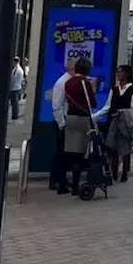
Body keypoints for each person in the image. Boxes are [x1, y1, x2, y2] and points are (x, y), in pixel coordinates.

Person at [60, 58, 100, 195]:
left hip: (70, 118)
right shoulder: (85, 83)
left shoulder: (68, 82)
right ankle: (76, 186)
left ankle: (62, 182)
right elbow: (92, 103)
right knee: (81, 153)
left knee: (69, 151)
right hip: (82, 119)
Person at [102, 65, 133, 182]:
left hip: (125, 123)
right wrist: (95, 115)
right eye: (117, 72)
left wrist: (122, 113)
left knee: (125, 148)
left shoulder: (132, 91)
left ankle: (124, 172)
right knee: (113, 146)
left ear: (126, 74)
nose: (118, 74)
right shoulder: (114, 90)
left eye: (120, 72)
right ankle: (114, 170)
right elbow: (107, 106)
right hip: (114, 121)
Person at [49, 60, 77, 190]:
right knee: (61, 152)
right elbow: (57, 105)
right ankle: (56, 180)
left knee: (66, 153)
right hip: (63, 121)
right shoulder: (62, 83)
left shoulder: (69, 82)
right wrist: (62, 124)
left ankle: (62, 178)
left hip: (68, 120)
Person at [9, 56, 25, 121]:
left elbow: (15, 79)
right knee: (14, 102)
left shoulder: (19, 70)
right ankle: (14, 114)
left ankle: (15, 115)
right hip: (14, 87)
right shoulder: (15, 69)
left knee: (15, 103)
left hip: (16, 88)